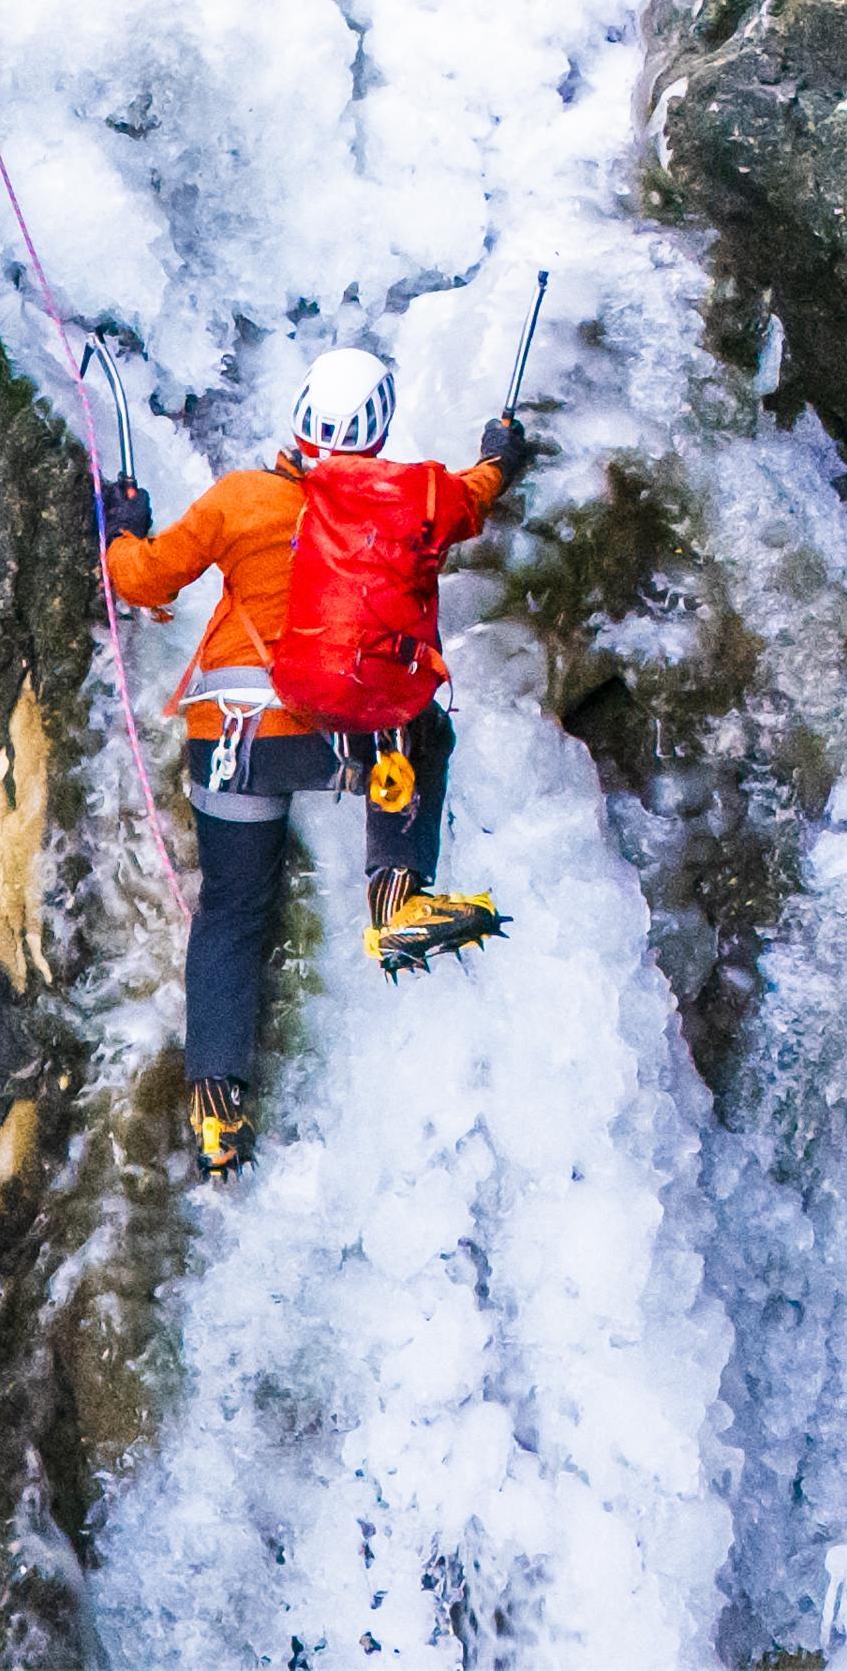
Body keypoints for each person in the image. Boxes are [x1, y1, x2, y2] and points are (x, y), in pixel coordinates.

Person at [101, 345, 529, 1181]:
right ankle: (395, 899)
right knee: (421, 728)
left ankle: (218, 1115)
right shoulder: (413, 499)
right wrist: (501, 453)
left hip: (230, 740)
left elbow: (144, 582)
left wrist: (121, 525)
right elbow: (478, 494)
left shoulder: (240, 499)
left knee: (230, 913)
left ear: (297, 417)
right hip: (341, 737)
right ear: (379, 430)